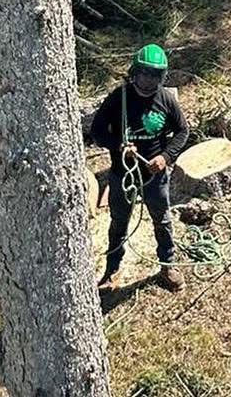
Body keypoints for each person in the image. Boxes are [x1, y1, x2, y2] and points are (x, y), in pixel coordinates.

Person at [87, 43, 190, 292]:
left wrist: (165, 157)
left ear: (162, 76)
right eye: (145, 73)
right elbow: (97, 131)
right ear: (135, 71)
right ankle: (112, 269)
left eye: (155, 74)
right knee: (119, 222)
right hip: (123, 175)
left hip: (155, 176)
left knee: (162, 220)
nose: (149, 79)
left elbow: (182, 131)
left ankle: (167, 265)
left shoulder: (165, 98)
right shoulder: (118, 98)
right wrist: (119, 146)